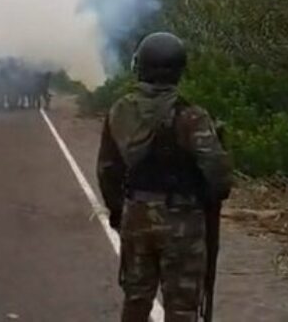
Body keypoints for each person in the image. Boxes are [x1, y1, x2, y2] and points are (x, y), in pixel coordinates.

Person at [97, 32, 232, 322]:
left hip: (135, 216)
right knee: (182, 306)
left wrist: (119, 210)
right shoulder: (191, 116)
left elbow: (108, 169)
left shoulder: (120, 110)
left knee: (135, 298)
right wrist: (209, 195)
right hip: (182, 220)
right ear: (178, 70)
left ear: (141, 66)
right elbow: (218, 173)